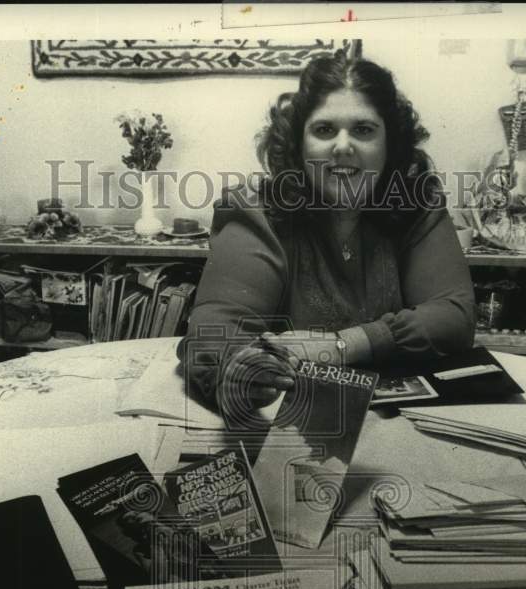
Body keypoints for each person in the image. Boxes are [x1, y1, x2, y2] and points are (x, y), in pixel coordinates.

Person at [177, 51, 475, 416]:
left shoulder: (417, 204)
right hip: (287, 419)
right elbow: (215, 325)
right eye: (324, 130)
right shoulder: (256, 211)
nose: (343, 146)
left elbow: (454, 316)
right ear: (299, 145)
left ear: (390, 143)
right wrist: (238, 368)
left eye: (363, 130)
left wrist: (343, 345)